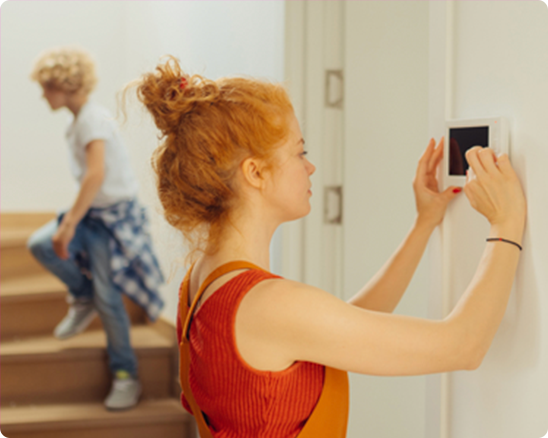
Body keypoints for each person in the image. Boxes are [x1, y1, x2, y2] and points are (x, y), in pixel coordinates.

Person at [132, 57, 526, 437]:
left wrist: (424, 224)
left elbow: (342, 326)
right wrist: (506, 222)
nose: (310, 167)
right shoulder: (270, 305)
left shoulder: (201, 283)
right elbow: (463, 346)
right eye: (299, 152)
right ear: (254, 172)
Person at [27, 46, 165, 411]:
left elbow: (96, 173)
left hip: (111, 220)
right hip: (94, 214)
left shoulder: (92, 119)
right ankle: (82, 292)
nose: (43, 95)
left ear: (64, 85)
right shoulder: (78, 122)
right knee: (41, 244)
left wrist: (69, 223)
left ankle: (126, 375)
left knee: (109, 297)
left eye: (47, 88)